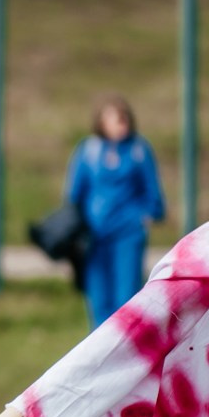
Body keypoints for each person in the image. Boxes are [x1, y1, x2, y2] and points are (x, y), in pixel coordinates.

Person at [66, 96, 166, 327]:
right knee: (99, 301)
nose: (120, 124)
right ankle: (101, 355)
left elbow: (153, 193)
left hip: (127, 235)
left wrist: (143, 216)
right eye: (113, 119)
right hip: (94, 236)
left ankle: (126, 352)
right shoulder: (89, 151)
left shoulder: (139, 150)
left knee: (126, 299)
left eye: (123, 119)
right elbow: (74, 195)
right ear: (101, 123)